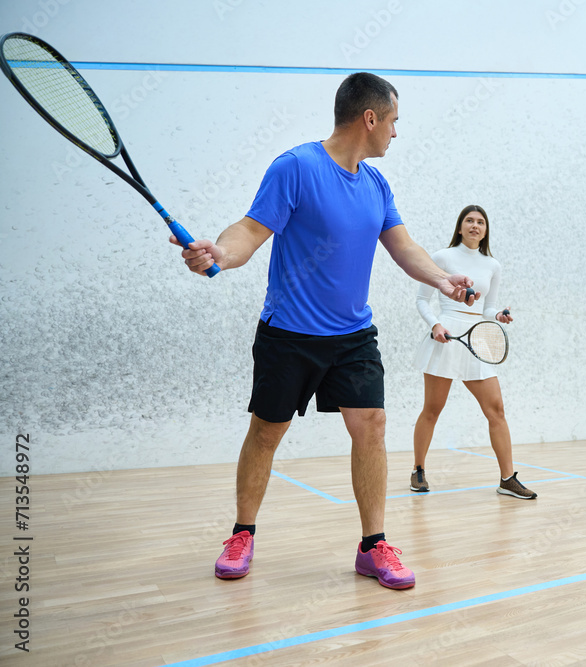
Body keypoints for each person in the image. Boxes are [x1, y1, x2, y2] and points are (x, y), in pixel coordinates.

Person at [172, 72, 480, 589]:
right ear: (370, 118)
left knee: (373, 425)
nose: (396, 134)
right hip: (288, 334)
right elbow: (250, 229)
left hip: (352, 336)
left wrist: (443, 279)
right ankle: (242, 533)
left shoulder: (377, 184)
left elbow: (404, 248)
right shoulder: (296, 167)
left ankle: (373, 545)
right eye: (394, 122)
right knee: (267, 432)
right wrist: (223, 255)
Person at [409, 205, 536, 500]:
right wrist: (435, 324)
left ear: (486, 229)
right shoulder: (442, 257)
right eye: (469, 220)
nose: (475, 225)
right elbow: (422, 300)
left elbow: (487, 308)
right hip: (445, 338)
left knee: (497, 411)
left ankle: (507, 479)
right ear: (460, 227)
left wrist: (499, 315)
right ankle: (418, 470)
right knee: (432, 410)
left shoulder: (493, 265)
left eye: (480, 222)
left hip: (476, 341)